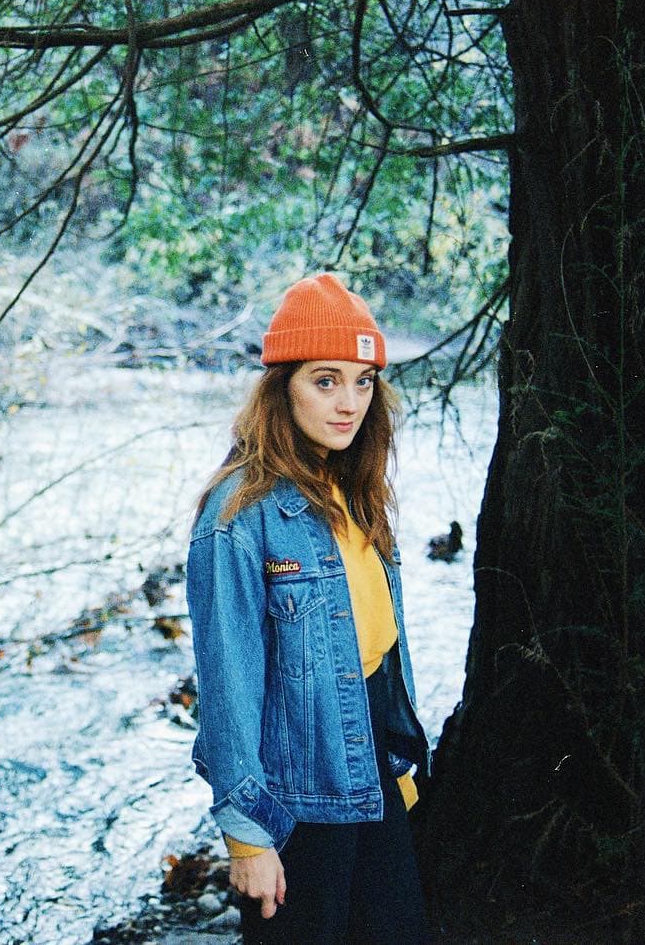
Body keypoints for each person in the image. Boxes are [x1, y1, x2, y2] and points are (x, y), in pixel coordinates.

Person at [186, 273, 430, 943]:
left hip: (373, 771)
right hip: (298, 800)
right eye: (325, 380)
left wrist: (397, 758)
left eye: (362, 380)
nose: (348, 401)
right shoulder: (238, 515)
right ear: (282, 386)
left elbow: (377, 646)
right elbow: (228, 683)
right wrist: (246, 835)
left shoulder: (356, 488)